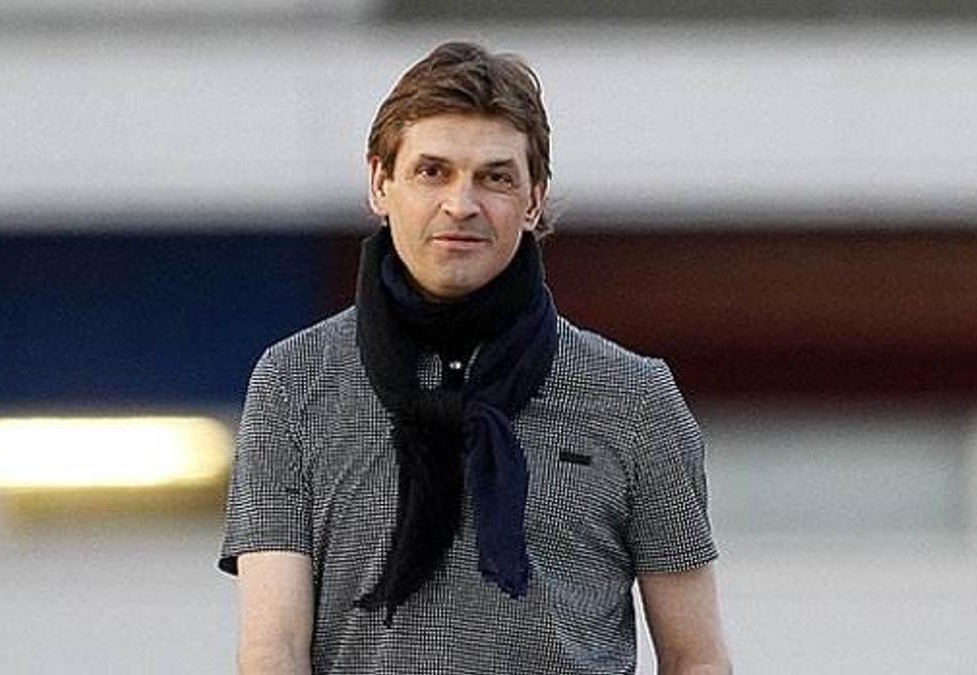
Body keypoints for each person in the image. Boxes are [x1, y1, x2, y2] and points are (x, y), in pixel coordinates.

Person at [219, 40, 731, 674]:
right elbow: (273, 650)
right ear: (380, 182)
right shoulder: (294, 383)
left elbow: (694, 657)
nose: (461, 205)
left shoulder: (633, 397)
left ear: (534, 199)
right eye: (432, 172)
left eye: (495, 177)